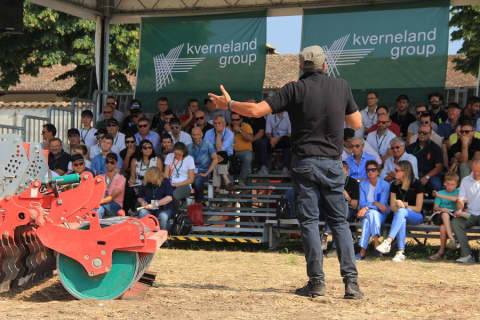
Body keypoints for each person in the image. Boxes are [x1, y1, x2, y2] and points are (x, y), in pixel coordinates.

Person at [208, 45, 363, 299]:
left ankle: (317, 283)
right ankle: (352, 285)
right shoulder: (341, 86)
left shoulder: (295, 88)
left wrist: (230, 104)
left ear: (301, 66)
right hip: (333, 164)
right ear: (325, 65)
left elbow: (256, 111)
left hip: (305, 163)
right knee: (339, 222)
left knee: (311, 223)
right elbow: (356, 124)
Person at [376, 161, 424, 262]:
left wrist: (405, 206)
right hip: (400, 215)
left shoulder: (417, 184)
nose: (395, 172)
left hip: (416, 216)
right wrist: (398, 203)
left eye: (397, 170)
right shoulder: (394, 185)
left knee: (401, 212)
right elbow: (393, 208)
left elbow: (418, 208)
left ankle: (388, 241)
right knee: (401, 216)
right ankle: (400, 252)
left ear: (405, 172)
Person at [355, 160, 390, 260]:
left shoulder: (385, 185)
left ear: (378, 172)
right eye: (368, 170)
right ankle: (376, 243)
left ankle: (362, 251)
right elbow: (362, 203)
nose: (370, 172)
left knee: (369, 217)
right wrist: (374, 204)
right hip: (367, 213)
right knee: (371, 214)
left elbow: (382, 206)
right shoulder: (362, 184)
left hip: (381, 214)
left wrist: (367, 207)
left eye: (373, 170)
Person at [451, 158, 480, 263]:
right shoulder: (466, 180)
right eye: (474, 170)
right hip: (470, 214)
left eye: (479, 171)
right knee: (456, 222)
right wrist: (459, 209)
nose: (476, 173)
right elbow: (461, 199)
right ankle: (467, 255)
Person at [429, 173, 460, 261]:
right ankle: (452, 238)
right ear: (444, 183)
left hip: (453, 216)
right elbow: (435, 208)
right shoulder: (440, 192)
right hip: (440, 215)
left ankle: (441, 251)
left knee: (443, 228)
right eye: (448, 184)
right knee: (445, 214)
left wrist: (438, 196)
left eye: (453, 184)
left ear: (456, 184)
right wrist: (442, 209)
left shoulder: (458, 191)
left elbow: (455, 199)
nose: (450, 186)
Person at [406, 124, 443, 191]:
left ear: (430, 134)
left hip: (430, 175)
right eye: (420, 132)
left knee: (436, 185)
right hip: (414, 174)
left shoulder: (436, 148)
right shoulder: (410, 147)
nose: (422, 135)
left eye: (425, 133)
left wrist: (427, 177)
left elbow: (439, 167)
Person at [204, 115, 235, 191]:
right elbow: (205, 147)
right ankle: (225, 178)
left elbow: (220, 149)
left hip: (227, 157)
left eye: (219, 123)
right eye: (215, 123)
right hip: (212, 156)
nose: (217, 125)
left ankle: (217, 187)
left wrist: (218, 135)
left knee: (220, 156)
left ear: (224, 124)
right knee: (217, 157)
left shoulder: (230, 134)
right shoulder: (208, 133)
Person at [188, 127, 218, 203]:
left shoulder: (208, 144)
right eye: (194, 135)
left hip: (204, 173)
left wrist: (206, 173)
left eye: (198, 134)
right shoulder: (188, 147)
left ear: (202, 135)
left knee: (197, 181)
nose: (195, 137)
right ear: (191, 135)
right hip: (191, 173)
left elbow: (215, 159)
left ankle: (199, 203)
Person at [164, 142, 195, 206]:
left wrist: (177, 184)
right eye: (175, 154)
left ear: (184, 152)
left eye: (179, 154)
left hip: (185, 185)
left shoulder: (189, 159)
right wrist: (168, 183)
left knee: (173, 195)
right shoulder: (170, 156)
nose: (177, 156)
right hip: (170, 184)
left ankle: (176, 210)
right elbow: (166, 174)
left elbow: (191, 179)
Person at [96, 153, 126, 218]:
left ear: (116, 164)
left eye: (112, 162)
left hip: (114, 204)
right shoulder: (100, 177)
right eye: (107, 162)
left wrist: (97, 203)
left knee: (100, 207)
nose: (109, 164)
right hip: (101, 204)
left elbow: (112, 197)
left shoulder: (121, 178)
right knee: (99, 209)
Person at [231, 112, 254, 184]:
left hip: (244, 151)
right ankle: (229, 183)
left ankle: (242, 179)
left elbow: (251, 138)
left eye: (237, 120)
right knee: (225, 159)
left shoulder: (246, 126)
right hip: (232, 152)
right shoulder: (227, 127)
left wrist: (240, 131)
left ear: (241, 120)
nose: (234, 122)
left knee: (248, 157)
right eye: (233, 120)